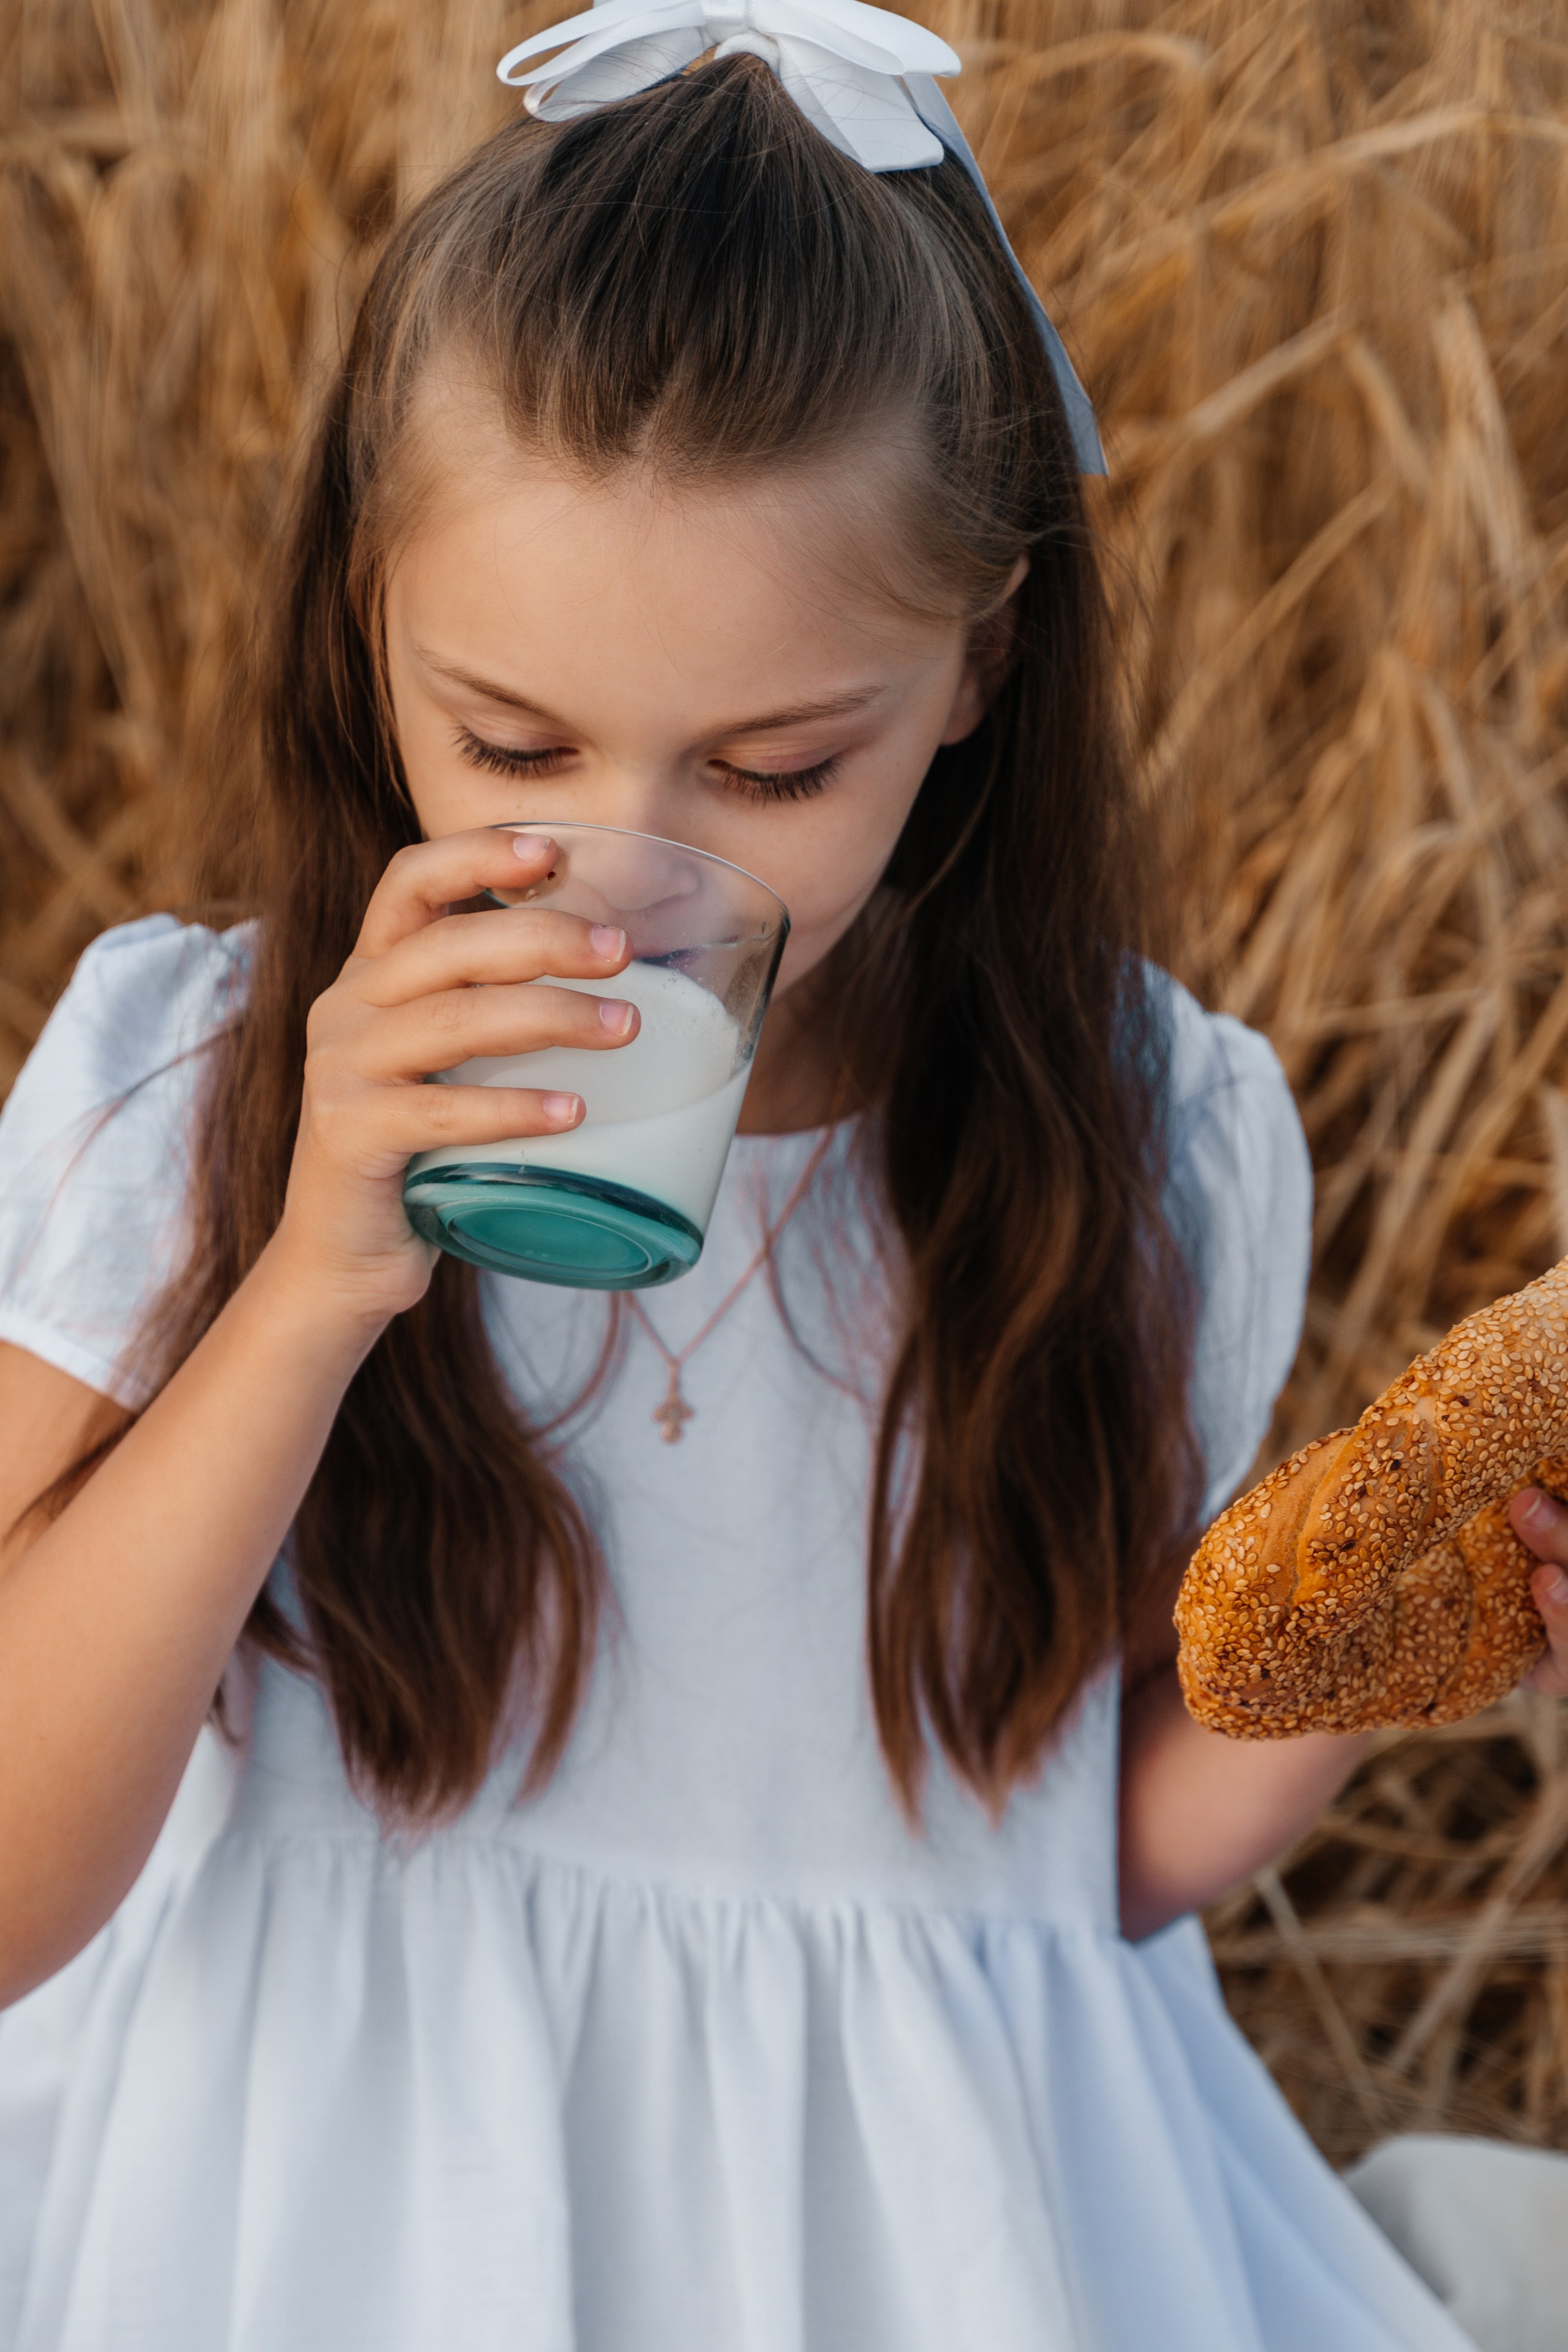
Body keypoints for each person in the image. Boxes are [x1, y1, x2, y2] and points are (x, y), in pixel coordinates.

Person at [1, 17, 1562, 2348]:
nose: (627, 874)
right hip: (331, 2212)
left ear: (977, 665)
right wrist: (311, 1286)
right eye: (512, 743)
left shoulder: (1148, 1144)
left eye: (773, 770)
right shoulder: (199, 1088)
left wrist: (1370, 1644)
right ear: (369, 627)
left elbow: (1057, 1873)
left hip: (921, 2238)